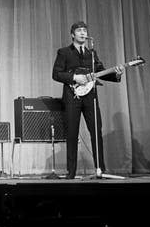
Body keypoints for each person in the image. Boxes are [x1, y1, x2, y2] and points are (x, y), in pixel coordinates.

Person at [52, 21, 123, 179]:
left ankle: (100, 169)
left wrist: (117, 74)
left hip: (91, 97)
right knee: (72, 133)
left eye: (85, 30)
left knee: (96, 131)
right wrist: (74, 77)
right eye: (79, 31)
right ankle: (71, 172)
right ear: (73, 34)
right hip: (72, 98)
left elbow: (101, 72)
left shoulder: (91, 53)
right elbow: (56, 74)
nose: (83, 33)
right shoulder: (64, 52)